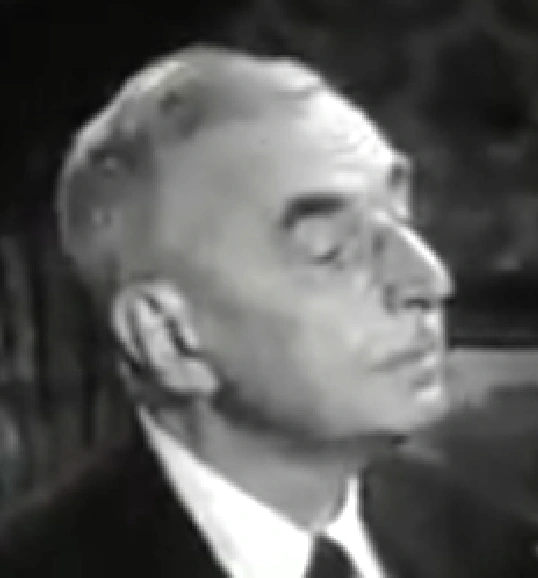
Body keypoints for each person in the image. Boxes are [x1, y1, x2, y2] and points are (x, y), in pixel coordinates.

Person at [0, 44, 537, 578]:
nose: (429, 281)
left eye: (401, 218)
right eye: (330, 247)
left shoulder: (496, 545)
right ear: (168, 337)